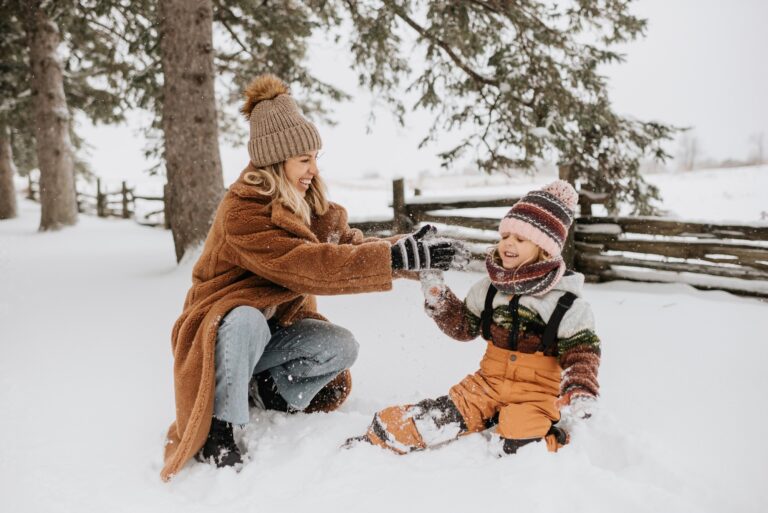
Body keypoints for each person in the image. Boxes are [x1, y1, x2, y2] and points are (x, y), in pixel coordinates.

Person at [160, 74, 465, 481]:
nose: (313, 169)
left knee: (340, 346)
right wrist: (390, 259)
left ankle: (266, 391)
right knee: (245, 318)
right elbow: (308, 264)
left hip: (273, 330)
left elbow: (348, 246)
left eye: (315, 157)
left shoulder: (309, 202)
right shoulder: (242, 213)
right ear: (276, 160)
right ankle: (220, 427)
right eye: (304, 159)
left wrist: (408, 253)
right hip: (223, 329)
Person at [347, 180, 600, 455]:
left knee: (518, 443)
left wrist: (580, 388)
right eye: (505, 237)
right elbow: (464, 328)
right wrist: (438, 296)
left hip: (537, 396)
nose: (508, 244)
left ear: (545, 249)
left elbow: (582, 353)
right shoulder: (489, 290)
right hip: (486, 386)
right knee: (427, 421)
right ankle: (383, 439)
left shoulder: (566, 303)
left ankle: (554, 437)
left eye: (520, 238)